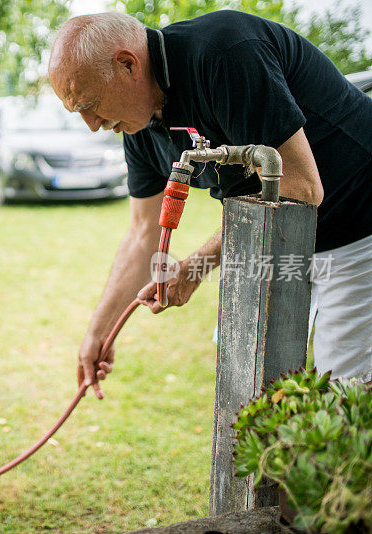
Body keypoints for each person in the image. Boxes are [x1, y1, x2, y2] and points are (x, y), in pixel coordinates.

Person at [48, 10, 372, 396]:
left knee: (346, 389)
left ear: (127, 64)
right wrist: (98, 333)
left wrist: (196, 267)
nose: (91, 124)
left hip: (357, 222)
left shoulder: (225, 54)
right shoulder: (137, 127)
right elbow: (141, 234)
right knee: (245, 373)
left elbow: (302, 186)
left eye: (90, 104)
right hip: (278, 240)